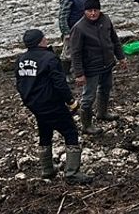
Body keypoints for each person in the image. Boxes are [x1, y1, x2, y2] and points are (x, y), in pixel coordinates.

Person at [14, 28, 91, 183]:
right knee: (70, 132)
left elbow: (19, 83)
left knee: (45, 131)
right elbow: (60, 83)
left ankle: (47, 169)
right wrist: (71, 101)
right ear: (40, 41)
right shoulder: (49, 58)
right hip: (51, 103)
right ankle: (72, 173)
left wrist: (28, 101)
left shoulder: (20, 60)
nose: (46, 39)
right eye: (44, 37)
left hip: (34, 104)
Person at [67, 0, 126, 134]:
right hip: (90, 68)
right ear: (84, 11)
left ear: (99, 10)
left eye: (95, 10)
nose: (93, 13)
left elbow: (114, 40)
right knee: (88, 97)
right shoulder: (79, 28)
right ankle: (86, 125)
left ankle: (102, 112)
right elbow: (75, 53)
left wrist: (121, 57)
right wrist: (79, 74)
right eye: (89, 11)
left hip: (107, 64)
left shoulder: (106, 20)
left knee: (106, 88)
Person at [56, 0, 93, 68]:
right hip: (72, 30)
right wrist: (66, 33)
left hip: (85, 27)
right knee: (68, 54)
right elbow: (62, 18)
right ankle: (66, 74)